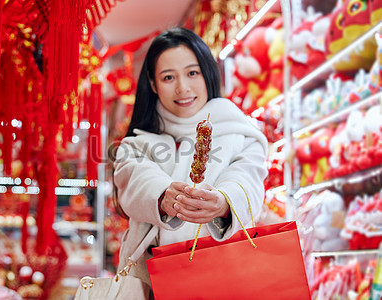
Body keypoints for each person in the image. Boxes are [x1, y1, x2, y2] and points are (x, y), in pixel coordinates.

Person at [113, 27, 268, 297]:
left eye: (192, 73)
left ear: (207, 74)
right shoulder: (134, 146)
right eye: (168, 77)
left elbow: (247, 182)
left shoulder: (242, 135)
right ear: (153, 84)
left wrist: (223, 202)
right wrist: (163, 195)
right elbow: (135, 181)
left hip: (223, 280)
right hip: (148, 286)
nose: (182, 87)